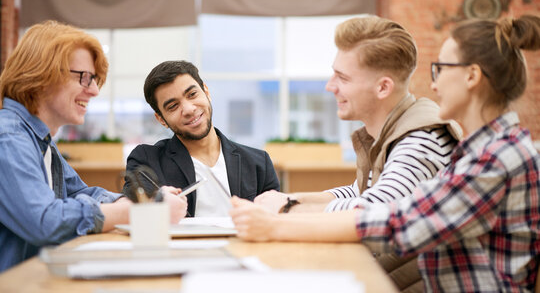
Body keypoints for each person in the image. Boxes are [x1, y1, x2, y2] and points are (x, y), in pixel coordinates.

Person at [230, 14, 540, 292]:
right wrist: (289, 204)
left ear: (472, 76)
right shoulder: (483, 151)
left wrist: (279, 221)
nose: (433, 85)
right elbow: (391, 205)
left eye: (441, 69)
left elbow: (400, 222)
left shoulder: (495, 158)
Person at [255, 16, 461, 291]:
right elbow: (359, 192)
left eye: (343, 77)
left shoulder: (421, 140)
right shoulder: (397, 129)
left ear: (383, 87)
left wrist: (286, 209)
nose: (330, 86)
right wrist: (289, 198)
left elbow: (372, 212)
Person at [0, 21, 187, 273]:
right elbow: (46, 221)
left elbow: (80, 193)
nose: (95, 91)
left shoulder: (39, 140)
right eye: (84, 78)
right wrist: (133, 212)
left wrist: (146, 201)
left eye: (95, 80)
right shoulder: (8, 137)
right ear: (42, 74)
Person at [123, 60, 280, 217]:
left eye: (192, 95)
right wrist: (155, 205)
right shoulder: (147, 161)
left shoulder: (258, 163)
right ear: (161, 119)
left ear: (206, 91)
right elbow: (135, 213)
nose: (189, 110)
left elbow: (274, 221)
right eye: (173, 106)